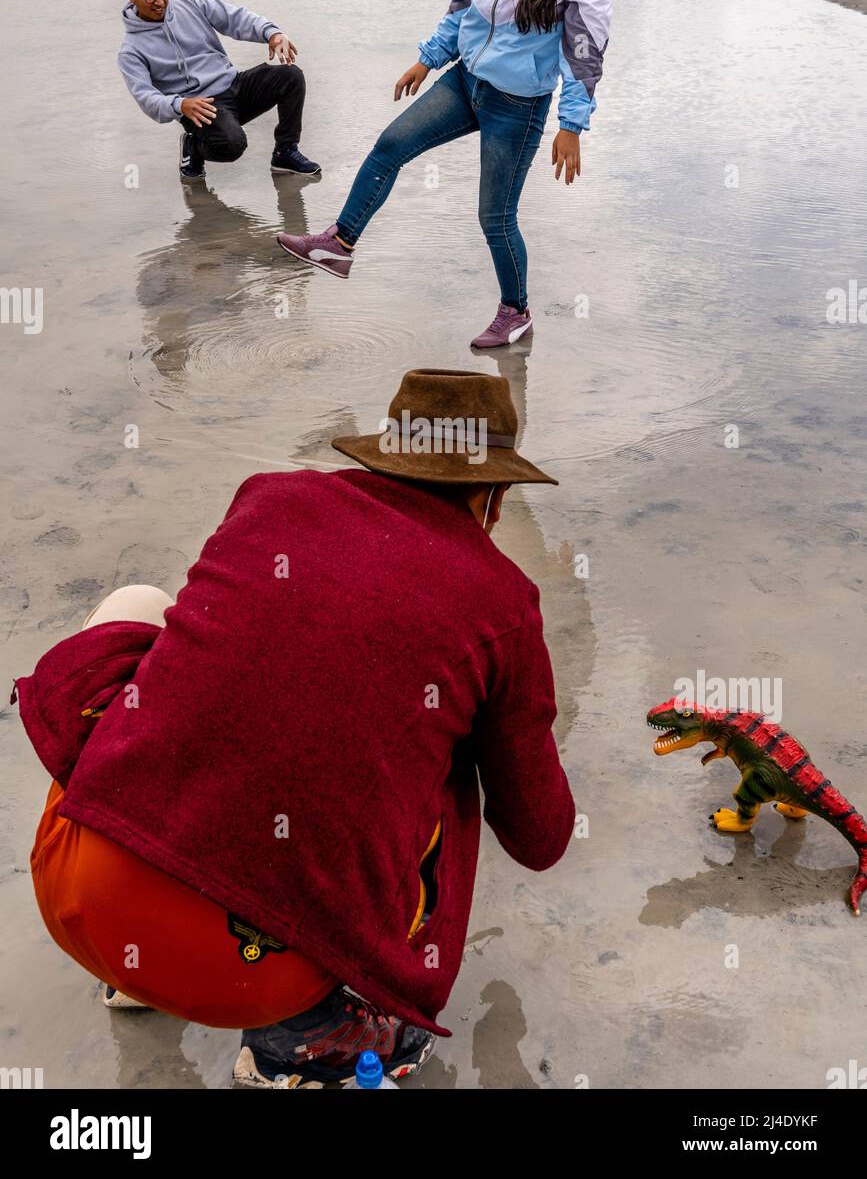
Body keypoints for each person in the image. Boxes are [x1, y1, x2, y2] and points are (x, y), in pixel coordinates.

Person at [15, 369, 575, 1090]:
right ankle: (311, 1036)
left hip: (79, 900)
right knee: (444, 770)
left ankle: (131, 970)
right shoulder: (502, 603)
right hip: (257, 976)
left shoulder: (270, 497)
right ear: (494, 499)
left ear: (385, 456)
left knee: (142, 604)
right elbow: (539, 837)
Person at [277, 0, 611, 349]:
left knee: (494, 216)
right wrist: (427, 58)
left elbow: (583, 55)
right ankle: (339, 244)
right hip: (466, 81)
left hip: (518, 106)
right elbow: (463, 9)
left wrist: (571, 127)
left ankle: (515, 311)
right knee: (391, 144)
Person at [117, 0, 320, 182]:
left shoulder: (192, 4)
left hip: (234, 84)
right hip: (199, 107)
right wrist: (179, 104)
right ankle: (193, 146)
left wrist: (271, 34)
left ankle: (285, 153)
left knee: (290, 76)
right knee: (232, 145)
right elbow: (146, 97)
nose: (160, 1)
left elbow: (235, 18)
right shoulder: (131, 50)